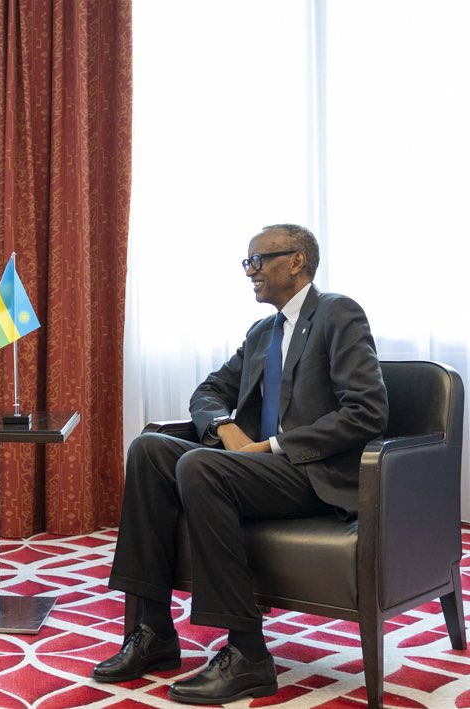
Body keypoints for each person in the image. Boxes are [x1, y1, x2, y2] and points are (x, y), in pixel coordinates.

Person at [93, 224, 388, 704]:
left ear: (296, 261)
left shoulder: (338, 314)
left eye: (259, 260)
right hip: (258, 469)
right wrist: (222, 429)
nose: (250, 272)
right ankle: (154, 632)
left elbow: (368, 411)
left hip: (313, 472)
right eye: (246, 262)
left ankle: (248, 653)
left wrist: (273, 445)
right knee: (149, 450)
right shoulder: (261, 333)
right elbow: (208, 391)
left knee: (200, 468)